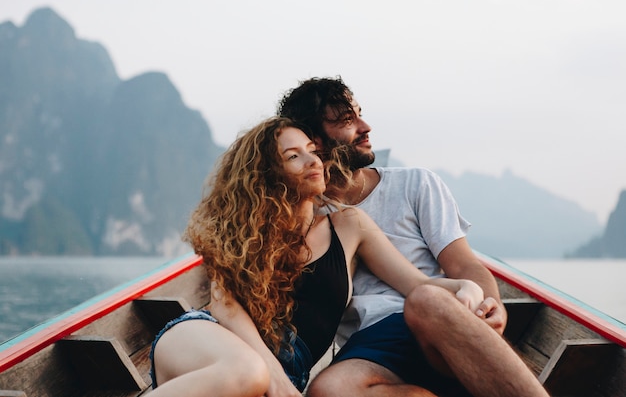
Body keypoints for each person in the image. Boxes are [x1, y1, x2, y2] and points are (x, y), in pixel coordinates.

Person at [148, 116, 484, 397]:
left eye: (312, 151)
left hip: (284, 378)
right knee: (247, 371)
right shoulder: (244, 232)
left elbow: (419, 284)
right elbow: (224, 304)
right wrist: (271, 373)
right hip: (209, 343)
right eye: (294, 156)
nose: (313, 162)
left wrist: (466, 289)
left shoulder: (349, 226)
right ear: (267, 173)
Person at [277, 77, 550, 397]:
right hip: (372, 346)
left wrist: (493, 306)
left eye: (360, 113)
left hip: (440, 321)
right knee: (329, 389)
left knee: (426, 300)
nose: (365, 126)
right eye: (348, 120)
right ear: (314, 140)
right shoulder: (307, 214)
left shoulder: (416, 184)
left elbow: (464, 265)